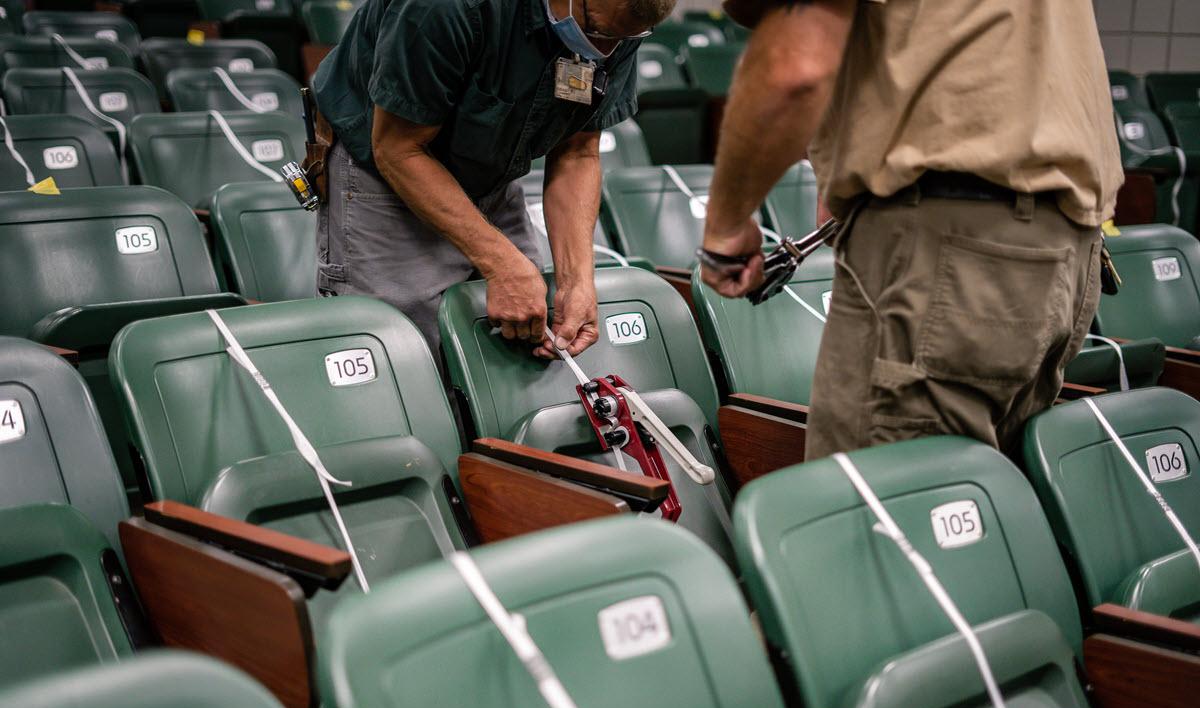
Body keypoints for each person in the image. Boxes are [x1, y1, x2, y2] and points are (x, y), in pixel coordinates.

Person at [697, 0, 1122, 460]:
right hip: (1067, 242)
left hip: (957, 245)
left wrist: (726, 226)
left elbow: (796, 65)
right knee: (973, 509)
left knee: (878, 509)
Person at [312, 0, 674, 358]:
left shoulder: (620, 19)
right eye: (595, 31)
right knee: (406, 360)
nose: (602, 51)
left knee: (526, 341)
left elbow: (577, 151)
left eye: (624, 39)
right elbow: (398, 150)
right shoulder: (444, 8)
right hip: (385, 173)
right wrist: (502, 264)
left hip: (490, 169)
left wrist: (577, 281)